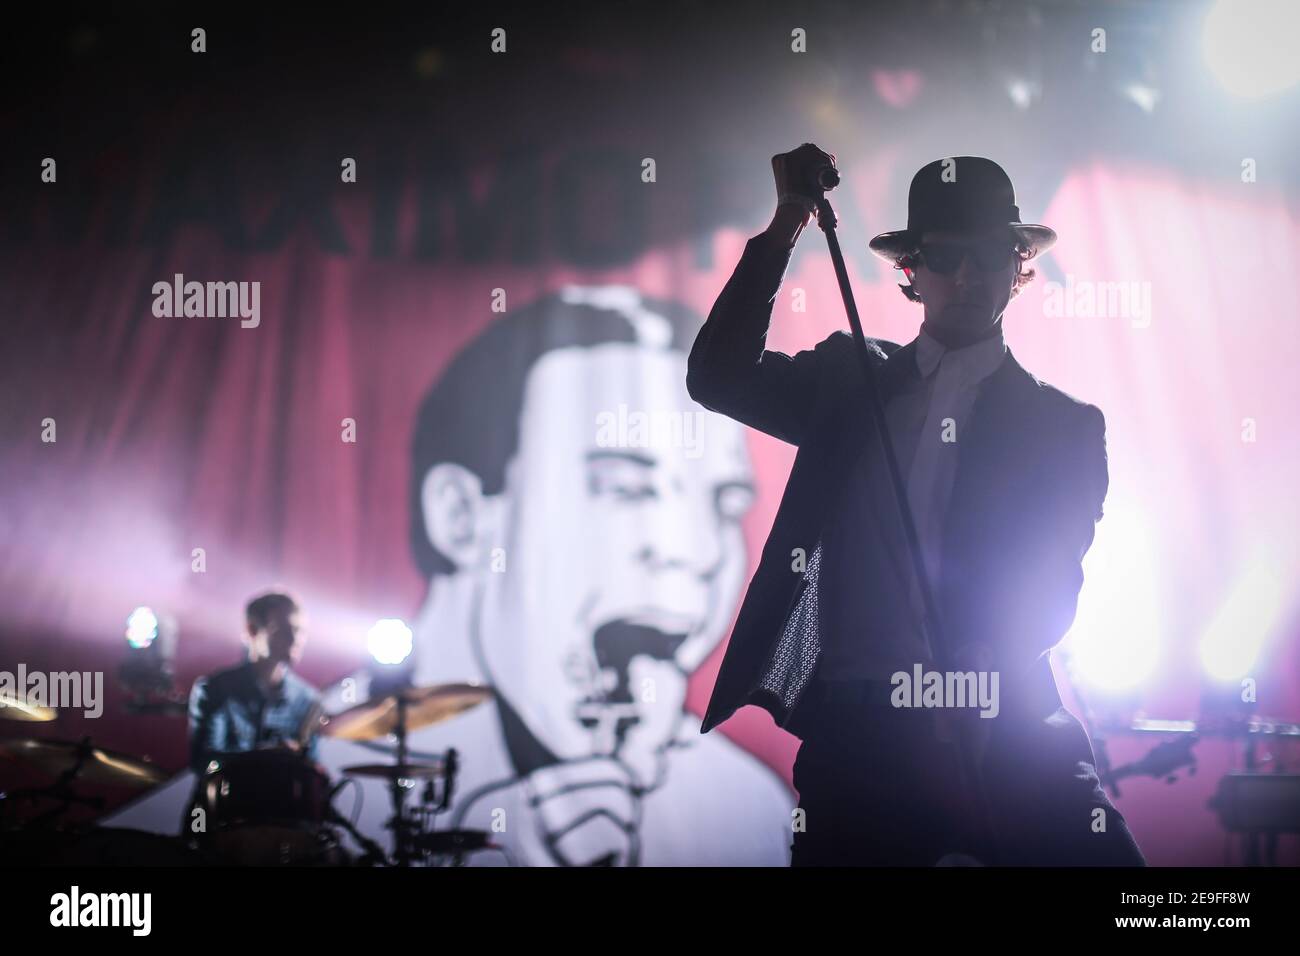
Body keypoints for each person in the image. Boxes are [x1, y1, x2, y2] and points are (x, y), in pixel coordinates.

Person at [687, 145, 1145, 866]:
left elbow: (1052, 582)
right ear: (912, 269)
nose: (965, 275)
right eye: (945, 255)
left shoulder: (1061, 426)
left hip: (1000, 732)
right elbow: (718, 376)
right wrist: (786, 225)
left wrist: (980, 660)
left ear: (1018, 268)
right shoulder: (849, 382)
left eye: (988, 254)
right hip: (859, 746)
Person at [317, 286, 793, 866]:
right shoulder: (321, 786)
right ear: (461, 516)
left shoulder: (749, 815)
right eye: (624, 486)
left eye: (724, 504)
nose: (696, 552)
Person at [188, 590, 322, 773]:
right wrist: (266, 757)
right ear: (251, 630)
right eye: (282, 630)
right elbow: (204, 762)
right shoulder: (214, 690)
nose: (294, 639)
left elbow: (311, 769)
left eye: (299, 631)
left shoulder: (308, 699)